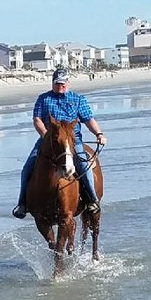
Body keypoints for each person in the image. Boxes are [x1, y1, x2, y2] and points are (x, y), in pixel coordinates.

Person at [12, 67, 107, 219]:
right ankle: (22, 204)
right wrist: (46, 136)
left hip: (72, 140)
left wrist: (99, 134)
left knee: (84, 166)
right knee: (27, 168)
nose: (60, 86)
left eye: (63, 83)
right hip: (48, 140)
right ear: (52, 83)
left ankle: (92, 200)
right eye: (57, 83)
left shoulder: (78, 99)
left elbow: (88, 119)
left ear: (68, 83)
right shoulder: (43, 99)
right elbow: (37, 120)